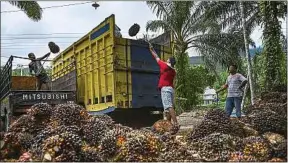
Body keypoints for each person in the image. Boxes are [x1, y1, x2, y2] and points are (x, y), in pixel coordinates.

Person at [148, 43, 179, 127]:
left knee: (168, 106)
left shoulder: (164, 66)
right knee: (168, 108)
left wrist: (152, 50)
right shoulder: (174, 71)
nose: (166, 60)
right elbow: (174, 82)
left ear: (169, 61)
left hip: (165, 89)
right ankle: (169, 125)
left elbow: (156, 58)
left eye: (167, 59)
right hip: (171, 89)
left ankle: (176, 123)